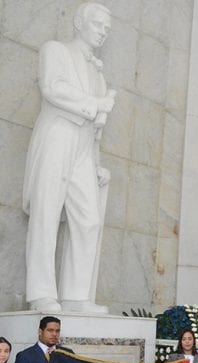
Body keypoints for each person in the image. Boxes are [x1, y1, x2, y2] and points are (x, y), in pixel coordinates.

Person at [22, 2, 116, 314]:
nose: (103, 32)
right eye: (98, 24)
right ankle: (41, 292)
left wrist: (96, 162)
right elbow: (53, 88)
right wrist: (96, 103)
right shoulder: (56, 50)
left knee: (89, 219)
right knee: (46, 213)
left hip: (84, 147)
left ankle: (76, 296)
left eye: (107, 28)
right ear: (79, 22)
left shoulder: (99, 74)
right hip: (57, 135)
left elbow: (95, 128)